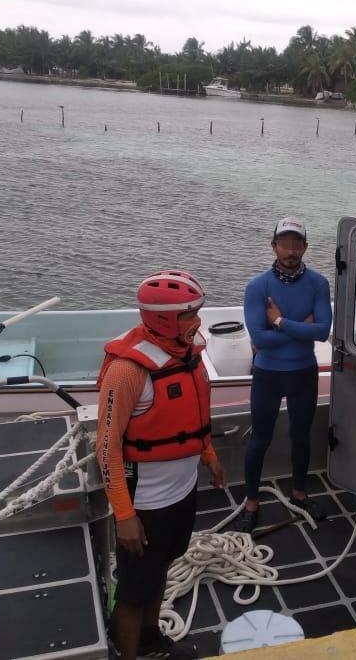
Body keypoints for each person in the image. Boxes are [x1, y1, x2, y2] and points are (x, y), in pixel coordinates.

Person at [96, 270, 226, 660]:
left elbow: (198, 411)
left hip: (182, 491)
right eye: (190, 315)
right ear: (165, 319)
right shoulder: (127, 371)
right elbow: (106, 447)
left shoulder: (189, 353)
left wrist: (210, 456)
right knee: (134, 591)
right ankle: (128, 653)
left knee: (163, 566)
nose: (197, 322)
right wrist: (124, 513)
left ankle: (152, 640)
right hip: (145, 502)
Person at [236, 216, 332, 532]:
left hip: (303, 372)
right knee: (260, 439)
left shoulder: (318, 283)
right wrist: (300, 327)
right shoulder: (257, 286)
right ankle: (251, 502)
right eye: (285, 244)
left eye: (296, 244)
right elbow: (259, 340)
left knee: (300, 437)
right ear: (274, 245)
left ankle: (300, 494)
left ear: (305, 247)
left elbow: (322, 332)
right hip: (268, 374)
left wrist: (279, 322)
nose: (291, 251)